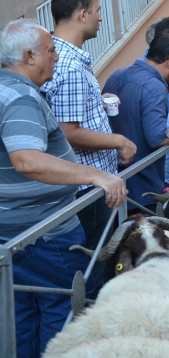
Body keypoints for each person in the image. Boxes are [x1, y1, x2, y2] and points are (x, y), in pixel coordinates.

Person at [0, 19, 127, 358]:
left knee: (21, 317)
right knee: (62, 314)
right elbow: (27, 160)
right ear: (29, 56)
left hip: (14, 234)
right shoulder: (21, 98)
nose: (56, 57)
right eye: (51, 51)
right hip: (46, 233)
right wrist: (95, 176)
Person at [40, 0, 137, 289]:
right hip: (88, 189)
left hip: (91, 184)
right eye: (97, 10)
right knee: (96, 270)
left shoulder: (63, 58)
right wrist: (118, 140)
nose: (101, 17)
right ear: (82, 14)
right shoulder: (67, 66)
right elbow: (68, 131)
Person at [105, 30, 169, 214]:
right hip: (142, 187)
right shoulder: (154, 86)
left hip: (114, 180)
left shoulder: (117, 75)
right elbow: (157, 137)